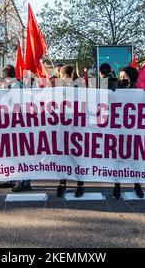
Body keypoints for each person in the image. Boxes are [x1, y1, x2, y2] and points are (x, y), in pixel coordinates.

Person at [112, 66, 145, 200]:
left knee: (134, 160)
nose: (122, 79)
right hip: (119, 130)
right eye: (120, 77)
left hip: (134, 130)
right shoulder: (115, 89)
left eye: (124, 76)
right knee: (118, 160)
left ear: (131, 76)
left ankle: (137, 186)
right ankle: (117, 187)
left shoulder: (138, 90)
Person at [0, 65, 32, 193]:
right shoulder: (16, 85)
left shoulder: (15, 86)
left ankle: (24, 181)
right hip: (15, 124)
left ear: (5, 77)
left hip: (17, 124)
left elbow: (15, 104)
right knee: (13, 153)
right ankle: (13, 178)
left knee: (20, 154)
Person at [57, 65, 85, 198]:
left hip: (76, 128)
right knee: (63, 156)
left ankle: (80, 184)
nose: (64, 78)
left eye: (65, 76)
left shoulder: (78, 87)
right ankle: (62, 184)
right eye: (62, 77)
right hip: (63, 128)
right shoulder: (58, 89)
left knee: (76, 156)